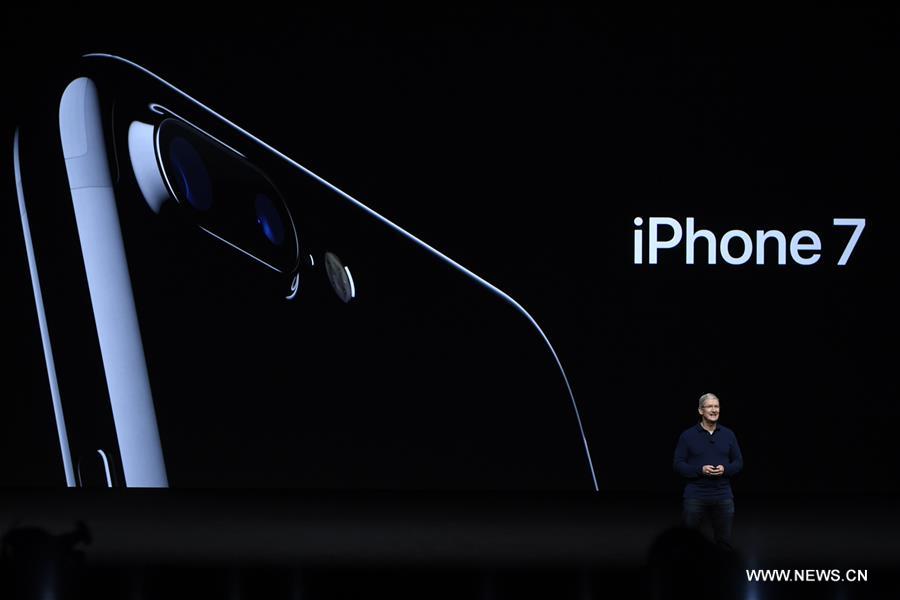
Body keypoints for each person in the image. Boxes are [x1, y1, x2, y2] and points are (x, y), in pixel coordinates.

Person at [673, 393, 743, 547]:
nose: (714, 410)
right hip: (695, 496)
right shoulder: (687, 436)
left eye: (716, 406)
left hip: (723, 496)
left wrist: (725, 469)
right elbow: (678, 464)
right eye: (709, 406)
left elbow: (738, 463)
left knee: (723, 543)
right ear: (700, 411)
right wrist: (700, 470)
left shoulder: (728, 434)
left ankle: (722, 571)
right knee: (688, 543)